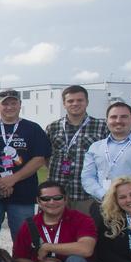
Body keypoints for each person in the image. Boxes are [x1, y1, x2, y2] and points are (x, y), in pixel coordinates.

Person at [0, 89, 51, 243]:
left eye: (13, 103)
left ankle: (21, 260)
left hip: (23, 194)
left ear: (20, 105)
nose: (9, 107)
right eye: (5, 104)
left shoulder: (33, 129)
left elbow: (39, 159)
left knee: (23, 239)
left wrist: (12, 179)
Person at [82, 101, 131, 209]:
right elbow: (87, 177)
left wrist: (125, 198)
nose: (118, 121)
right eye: (113, 117)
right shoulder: (95, 147)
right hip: (102, 204)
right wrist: (105, 196)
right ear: (107, 121)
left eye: (124, 117)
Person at [46, 85, 109, 214]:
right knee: (56, 226)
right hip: (57, 194)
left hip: (87, 195)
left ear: (87, 102)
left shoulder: (102, 126)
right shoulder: (53, 127)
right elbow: (45, 156)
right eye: (70, 101)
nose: (75, 104)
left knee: (87, 227)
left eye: (80, 100)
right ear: (64, 104)